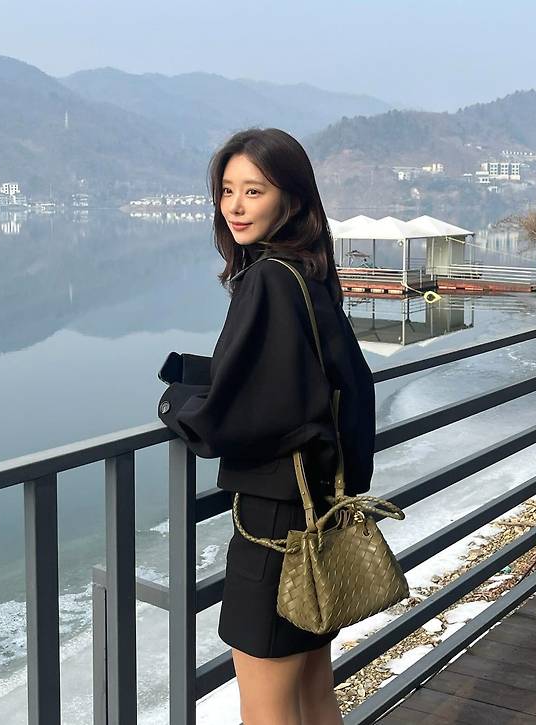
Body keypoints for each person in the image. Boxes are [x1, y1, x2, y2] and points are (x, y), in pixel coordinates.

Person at [157, 128, 375, 725]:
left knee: (266, 708)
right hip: (319, 513)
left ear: (292, 199)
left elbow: (237, 417)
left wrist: (177, 406)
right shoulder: (309, 274)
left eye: (254, 191)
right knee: (314, 695)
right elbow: (333, 385)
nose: (235, 206)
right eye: (227, 190)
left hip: (274, 528)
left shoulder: (266, 280)